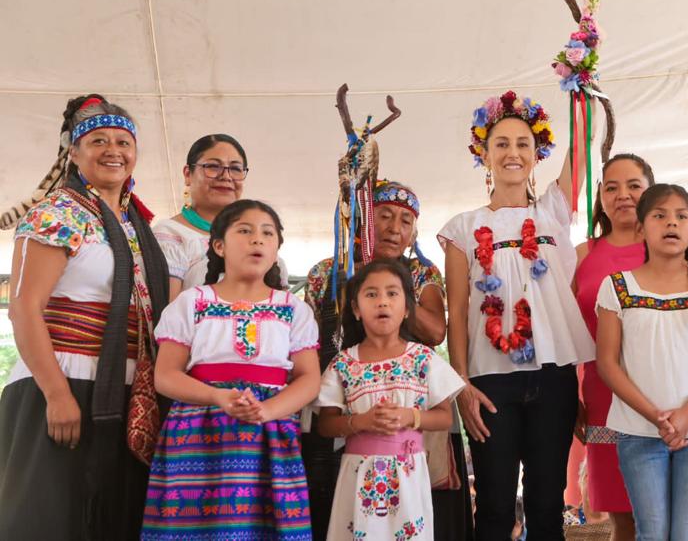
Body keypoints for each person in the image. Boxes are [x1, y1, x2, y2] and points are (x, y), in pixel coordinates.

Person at [0, 94, 169, 540]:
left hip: (127, 385)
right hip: (64, 377)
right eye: (97, 140)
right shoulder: (59, 212)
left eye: (123, 140)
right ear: (72, 152)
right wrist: (56, 394)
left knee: (113, 518)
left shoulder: (137, 225)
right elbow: (24, 308)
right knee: (52, 516)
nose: (114, 150)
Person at [439, 90, 596, 540]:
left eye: (523, 144)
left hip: (553, 378)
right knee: (492, 505)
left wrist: (582, 82)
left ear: (536, 154)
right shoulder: (462, 228)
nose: (512, 153)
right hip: (491, 382)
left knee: (548, 504)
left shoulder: (553, 210)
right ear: (484, 155)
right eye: (501, 144)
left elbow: (582, 145)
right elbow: (457, 311)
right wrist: (462, 385)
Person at [141, 199, 320, 539]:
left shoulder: (294, 309)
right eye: (245, 230)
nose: (258, 240)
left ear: (277, 249)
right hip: (197, 435)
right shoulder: (192, 302)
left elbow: (309, 379)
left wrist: (266, 411)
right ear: (218, 245)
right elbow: (165, 376)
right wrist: (217, 397)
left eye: (268, 234)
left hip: (269, 436)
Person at [303, 180, 464, 541]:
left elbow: (437, 332)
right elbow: (306, 340)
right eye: (385, 216)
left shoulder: (423, 274)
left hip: (405, 413)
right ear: (364, 221)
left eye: (406, 221)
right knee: (331, 500)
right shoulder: (324, 272)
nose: (395, 228)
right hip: (339, 392)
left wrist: (394, 285)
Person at [596, 183, 688, 540]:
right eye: (659, 215)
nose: (671, 223)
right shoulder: (617, 287)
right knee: (651, 533)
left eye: (681, 216)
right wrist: (655, 416)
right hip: (639, 431)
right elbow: (607, 363)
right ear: (640, 229)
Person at [573, 153, 655, 540]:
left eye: (634, 186)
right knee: (622, 517)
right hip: (602, 397)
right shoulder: (582, 255)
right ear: (601, 197)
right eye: (612, 187)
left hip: (665, 395)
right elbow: (566, 335)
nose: (623, 195)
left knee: (664, 511)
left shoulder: (674, 247)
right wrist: (571, 401)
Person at [153, 134, 288, 300]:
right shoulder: (170, 234)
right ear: (188, 174)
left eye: (236, 168)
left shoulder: (259, 238)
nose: (226, 176)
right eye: (213, 166)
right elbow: (168, 314)